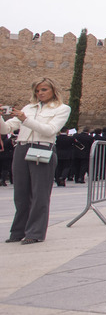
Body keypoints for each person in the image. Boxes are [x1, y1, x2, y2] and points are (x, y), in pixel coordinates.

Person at [3, 78, 71, 244]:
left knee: (39, 193)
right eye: (37, 90)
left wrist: (25, 119)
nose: (40, 93)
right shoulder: (29, 108)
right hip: (22, 147)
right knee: (20, 193)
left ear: (53, 90)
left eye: (44, 89)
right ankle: (18, 231)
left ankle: (35, 232)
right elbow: (6, 128)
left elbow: (50, 130)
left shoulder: (62, 109)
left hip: (42, 148)